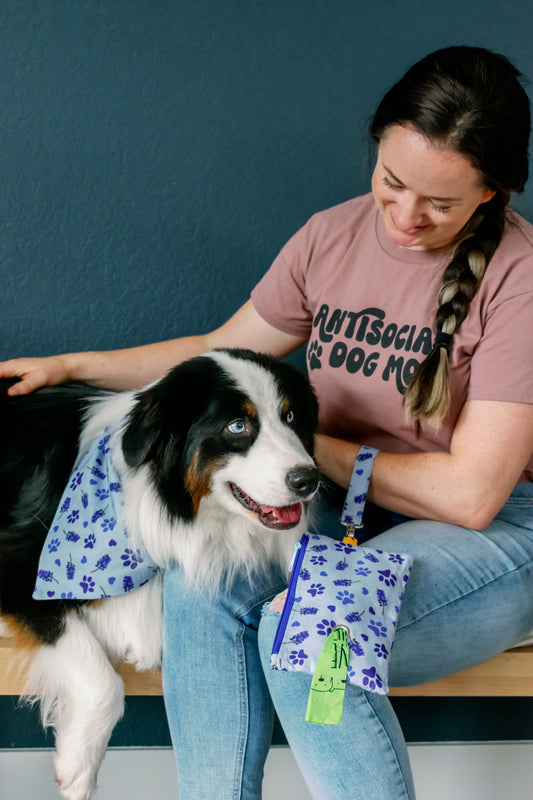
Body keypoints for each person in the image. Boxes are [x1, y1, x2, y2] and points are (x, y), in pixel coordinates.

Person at [2, 45, 533, 800]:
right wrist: (70, 364)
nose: (406, 217)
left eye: (440, 203)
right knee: (198, 587)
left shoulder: (522, 279)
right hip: (342, 515)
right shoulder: (331, 235)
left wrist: (298, 451)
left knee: (310, 628)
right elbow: (219, 352)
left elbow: (471, 496)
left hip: (492, 536)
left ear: (492, 193)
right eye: (391, 182)